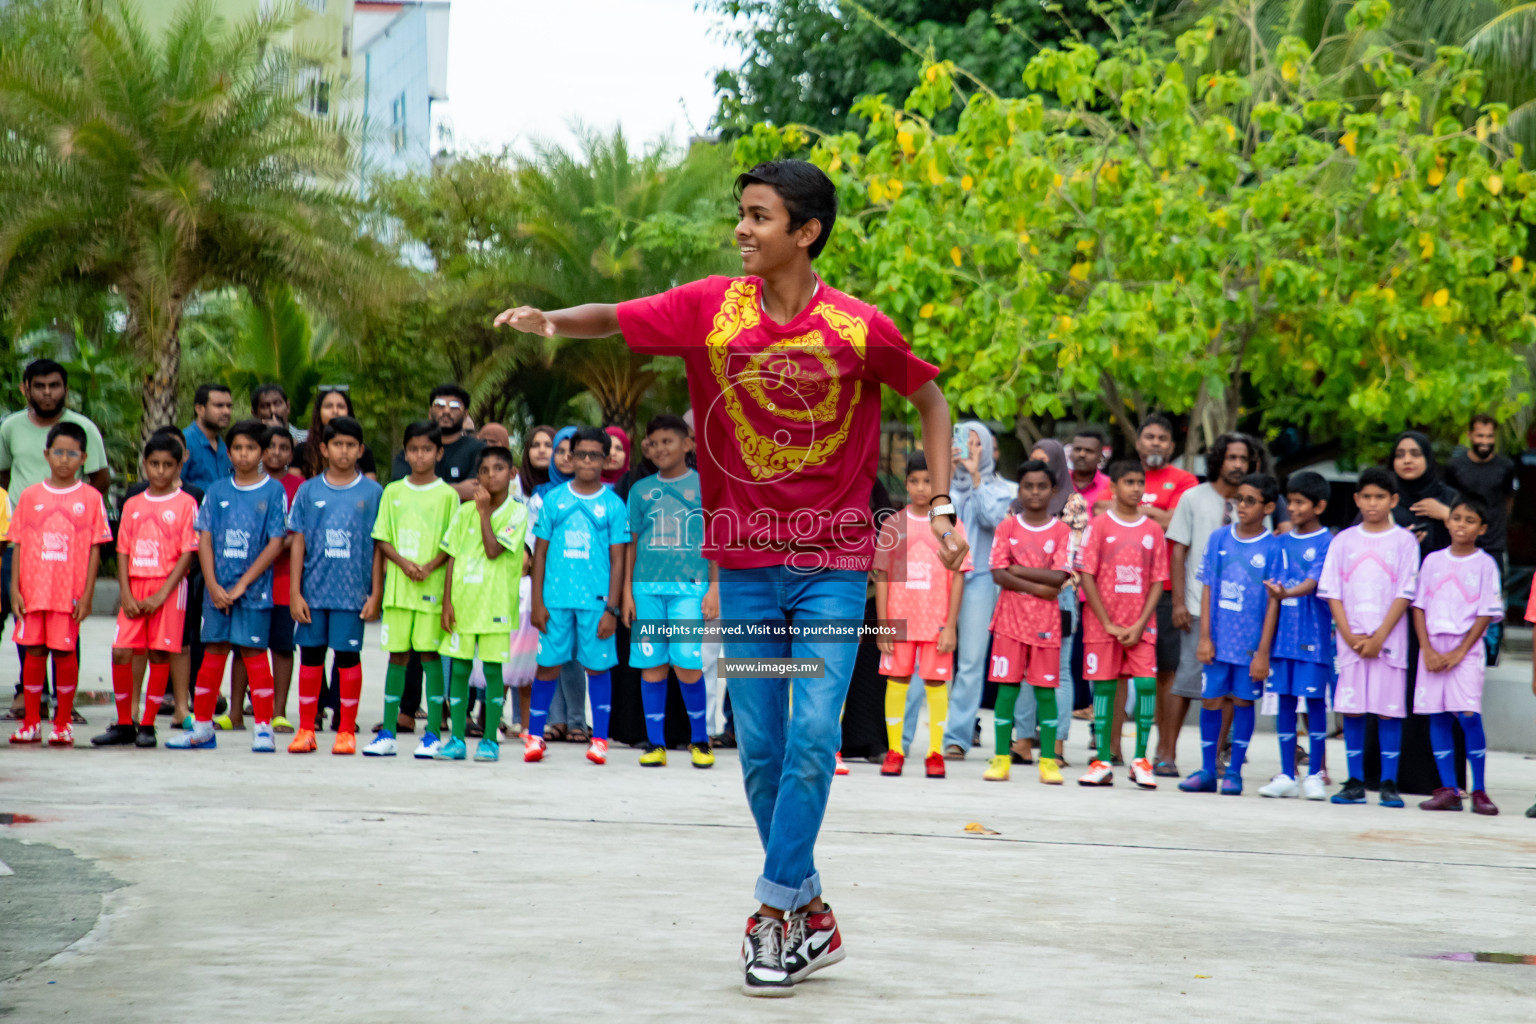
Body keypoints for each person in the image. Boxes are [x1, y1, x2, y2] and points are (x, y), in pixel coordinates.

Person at [497, 158, 966, 996]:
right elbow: (616, 313)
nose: (744, 230)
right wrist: (549, 323)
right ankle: (811, 907)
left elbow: (931, 400)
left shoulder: (860, 330)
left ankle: (773, 914)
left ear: (806, 232)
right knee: (762, 750)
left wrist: (941, 511)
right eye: (742, 215)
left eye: (759, 217)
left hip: (831, 565)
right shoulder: (713, 306)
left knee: (815, 736)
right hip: (745, 568)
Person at [0, 359, 109, 720]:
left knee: (68, 621)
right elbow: (3, 476)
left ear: (65, 388)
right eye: (40, 386)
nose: (48, 393)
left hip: (69, 548)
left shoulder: (83, 429)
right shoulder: (10, 427)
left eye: (55, 386)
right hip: (20, 542)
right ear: (26, 388)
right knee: (23, 616)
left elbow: (100, 479)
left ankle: (65, 702)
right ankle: (27, 695)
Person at [170, 421, 289, 752]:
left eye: (251, 448)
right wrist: (212, 583)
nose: (243, 454)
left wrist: (242, 585)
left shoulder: (273, 491)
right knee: (214, 653)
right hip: (217, 592)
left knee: (253, 654)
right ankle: (203, 728)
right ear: (229, 451)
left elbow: (276, 542)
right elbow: (204, 538)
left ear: (263, 453)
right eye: (237, 448)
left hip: (253, 593)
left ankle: (263, 728)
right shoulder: (218, 490)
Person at [527, 427, 629, 764]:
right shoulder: (554, 500)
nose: (586, 461)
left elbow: (618, 559)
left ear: (605, 459)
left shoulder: (613, 505)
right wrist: (538, 602)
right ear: (570, 457)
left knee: (597, 669)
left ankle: (599, 739)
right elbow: (539, 554)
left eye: (594, 455)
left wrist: (612, 609)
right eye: (580, 454)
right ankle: (535, 736)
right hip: (555, 601)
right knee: (547, 666)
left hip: (596, 603)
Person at [1319, 467, 1420, 807]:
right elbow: (1332, 590)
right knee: (1353, 710)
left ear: (1393, 499)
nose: (1373, 503)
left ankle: (1389, 782)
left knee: (1389, 711)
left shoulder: (1404, 542)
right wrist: (1348, 634)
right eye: (1367, 497)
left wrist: (1379, 637)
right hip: (1351, 642)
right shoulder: (1343, 540)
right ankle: (1354, 780)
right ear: (1356, 499)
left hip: (1389, 642)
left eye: (1380, 497)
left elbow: (1406, 592)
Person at [623, 414, 718, 769]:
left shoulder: (705, 486)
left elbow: (715, 543)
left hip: (690, 589)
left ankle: (701, 741)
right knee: (652, 665)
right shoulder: (640, 490)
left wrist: (715, 590)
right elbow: (631, 545)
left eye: (669, 441)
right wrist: (627, 594)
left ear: (688, 443)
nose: (661, 448)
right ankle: (656, 744)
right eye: (654, 442)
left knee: (688, 664)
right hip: (646, 590)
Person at [286, 416, 384, 754]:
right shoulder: (308, 490)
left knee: (347, 658)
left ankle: (345, 730)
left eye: (350, 445)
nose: (343, 451)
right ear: (324, 449)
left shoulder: (373, 493)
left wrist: (375, 592)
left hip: (352, 594)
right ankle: (305, 729)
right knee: (311, 658)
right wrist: (295, 591)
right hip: (313, 591)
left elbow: (378, 546)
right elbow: (297, 541)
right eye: (337, 444)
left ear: (360, 450)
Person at [1178, 473, 1281, 795]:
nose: (1241, 506)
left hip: (1249, 647)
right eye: (1239, 499)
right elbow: (1208, 589)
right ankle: (1208, 769)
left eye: (1250, 501)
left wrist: (1263, 651)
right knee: (1211, 700)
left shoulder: (1274, 549)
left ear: (1268, 507)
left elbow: (1274, 603)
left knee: (1242, 702)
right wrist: (1205, 637)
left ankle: (1234, 771)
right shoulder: (1219, 539)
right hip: (1218, 642)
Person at [93, 433, 198, 749]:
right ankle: (125, 721)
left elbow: (187, 553)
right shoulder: (133, 503)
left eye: (168, 465)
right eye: (155, 464)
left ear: (180, 465)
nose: (161, 471)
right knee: (122, 650)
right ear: (145, 464)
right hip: (135, 586)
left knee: (159, 652)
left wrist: (162, 594)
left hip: (168, 589)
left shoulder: (186, 504)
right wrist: (125, 592)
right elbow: (123, 548)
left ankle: (148, 725)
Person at [1163, 433, 1258, 776]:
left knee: (1228, 688)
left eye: (1243, 459)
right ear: (1218, 460)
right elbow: (1178, 551)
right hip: (1196, 607)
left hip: (1240, 616)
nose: (1237, 465)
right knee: (1186, 682)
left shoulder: (1255, 503)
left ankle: (1215, 757)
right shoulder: (1193, 497)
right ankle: (1167, 754)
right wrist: (1177, 602)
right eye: (1231, 458)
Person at [362, 421, 458, 758]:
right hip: (400, 591)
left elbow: (453, 544)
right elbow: (382, 538)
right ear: (405, 452)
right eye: (414, 449)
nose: (420, 455)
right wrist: (403, 565)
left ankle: (432, 734)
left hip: (431, 592)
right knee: (397, 656)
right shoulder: (393, 492)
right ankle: (388, 731)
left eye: (427, 449)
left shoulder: (447, 495)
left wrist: (430, 567)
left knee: (431, 657)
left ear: (439, 452)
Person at [872, 451, 969, 779]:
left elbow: (958, 577)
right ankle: (895, 750)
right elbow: (881, 576)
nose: (921, 487)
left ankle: (935, 753)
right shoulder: (892, 524)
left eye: (928, 480)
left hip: (936, 623)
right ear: (905, 481)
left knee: (935, 682)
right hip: (900, 621)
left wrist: (951, 626)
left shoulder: (951, 526)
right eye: (914, 480)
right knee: (897, 680)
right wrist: (883, 625)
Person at [1075, 459, 1167, 788]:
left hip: (1141, 628)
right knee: (1104, 688)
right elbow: (1086, 575)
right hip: (1103, 627)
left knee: (1144, 685)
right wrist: (1107, 622)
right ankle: (1102, 759)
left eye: (1140, 482)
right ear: (1113, 488)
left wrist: (1141, 623)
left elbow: (1158, 580)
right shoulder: (1098, 526)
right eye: (1129, 482)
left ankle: (1140, 760)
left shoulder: (1153, 530)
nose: (1137, 488)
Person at [436, 445, 529, 762]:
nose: (491, 475)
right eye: (485, 470)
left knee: (492, 672)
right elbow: (451, 557)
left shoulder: (517, 512)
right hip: (463, 605)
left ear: (512, 474)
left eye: (499, 469)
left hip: (494, 606)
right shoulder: (463, 512)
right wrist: (447, 602)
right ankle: (457, 740)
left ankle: (490, 739)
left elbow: (492, 551)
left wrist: (485, 512)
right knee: (459, 670)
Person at [1413, 497, 1502, 814]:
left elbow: (1485, 613)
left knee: (1467, 714)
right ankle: (1448, 789)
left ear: (1482, 528)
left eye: (1470, 520)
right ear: (1447, 521)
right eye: (1457, 518)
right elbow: (1419, 607)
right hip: (1434, 648)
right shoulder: (1433, 561)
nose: (1461, 525)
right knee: (1437, 715)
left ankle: (1478, 790)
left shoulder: (1485, 564)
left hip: (1465, 650)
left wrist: (1461, 651)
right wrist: (1427, 648)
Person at [983, 459, 1068, 784]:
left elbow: (1059, 576)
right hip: (1009, 622)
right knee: (1006, 690)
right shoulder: (1007, 527)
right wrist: (1037, 586)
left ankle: (1048, 760)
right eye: (1028, 486)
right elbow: (998, 573)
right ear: (1019, 490)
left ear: (1053, 490)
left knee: (1045, 692)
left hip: (1046, 625)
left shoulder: (1060, 531)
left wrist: (1017, 570)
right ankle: (1001, 758)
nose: (1034, 492)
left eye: (1041, 486)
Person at [1256, 471, 1334, 801]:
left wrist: (1285, 593)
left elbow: (1313, 582)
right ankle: (1288, 773)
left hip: (1314, 639)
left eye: (1301, 502)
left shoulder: (1328, 542)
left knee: (1314, 703)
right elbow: (1273, 586)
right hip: (1283, 640)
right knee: (1284, 703)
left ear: (1319, 506)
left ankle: (1315, 773)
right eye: (1291, 501)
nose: (1293, 508)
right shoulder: (1280, 543)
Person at [944, 420, 1014, 758]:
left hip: (980, 579)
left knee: (970, 661)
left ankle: (956, 737)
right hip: (939, 579)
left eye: (977, 443)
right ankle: (902, 738)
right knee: (917, 656)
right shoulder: (941, 486)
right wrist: (947, 473)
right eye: (963, 441)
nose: (970, 448)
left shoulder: (1006, 490)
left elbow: (993, 521)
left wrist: (975, 479)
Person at [261, 429, 303, 731]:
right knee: (245, 647)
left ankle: (279, 710)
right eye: (271, 446)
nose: (276, 452)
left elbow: (301, 533)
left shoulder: (300, 487)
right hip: (250, 579)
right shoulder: (248, 484)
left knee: (282, 645)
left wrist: (273, 546)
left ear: (292, 453)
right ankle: (237, 711)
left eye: (283, 447)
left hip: (285, 579)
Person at [390, 384, 484, 499]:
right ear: (430, 412)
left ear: (465, 415)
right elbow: (403, 492)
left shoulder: (480, 450)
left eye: (454, 407)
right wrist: (458, 489)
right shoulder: (411, 452)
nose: (446, 411)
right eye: (440, 405)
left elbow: (475, 491)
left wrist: (424, 489)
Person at [1386, 431, 1456, 554]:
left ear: (1428, 458)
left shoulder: (1449, 497)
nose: (1407, 460)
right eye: (1400, 455)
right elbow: (1362, 539)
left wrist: (1447, 515)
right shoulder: (1384, 498)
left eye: (1415, 454)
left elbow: (1476, 538)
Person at [295, 387, 378, 481]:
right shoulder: (302, 450)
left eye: (341, 406)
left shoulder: (363, 452)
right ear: (319, 412)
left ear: (348, 412)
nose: (335, 411)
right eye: (328, 406)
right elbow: (293, 488)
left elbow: (370, 491)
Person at [181, 383, 234, 492]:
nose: (226, 411)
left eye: (229, 406)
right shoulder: (184, 442)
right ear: (199, 409)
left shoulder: (224, 446)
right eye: (219, 406)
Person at [1068, 429, 1111, 507]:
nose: (1082, 454)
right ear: (1070, 453)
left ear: (1100, 456)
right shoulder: (1058, 482)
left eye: (1089, 451)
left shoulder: (1111, 487)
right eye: (1078, 449)